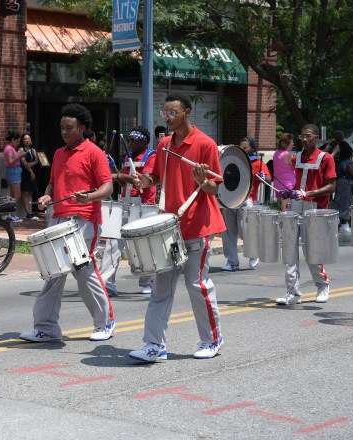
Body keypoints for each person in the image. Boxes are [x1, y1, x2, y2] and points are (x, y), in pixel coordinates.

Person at [129, 92, 226, 362]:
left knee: (196, 285)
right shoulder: (164, 145)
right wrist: (144, 181)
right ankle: (154, 345)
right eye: (164, 113)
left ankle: (212, 339)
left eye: (173, 112)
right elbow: (156, 177)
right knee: (161, 287)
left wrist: (202, 181)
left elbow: (215, 188)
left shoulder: (205, 144)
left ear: (186, 112)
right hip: (169, 227)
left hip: (198, 224)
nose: (168, 118)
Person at [19, 103, 115, 343]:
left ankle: (105, 322)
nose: (64, 131)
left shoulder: (94, 153)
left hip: (84, 219)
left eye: (69, 128)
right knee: (54, 273)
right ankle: (46, 327)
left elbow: (107, 186)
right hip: (59, 218)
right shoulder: (59, 153)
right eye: (62, 127)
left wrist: (90, 196)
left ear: (82, 128)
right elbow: (52, 182)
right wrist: (47, 195)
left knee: (83, 271)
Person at [276, 124, 336, 306]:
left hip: (315, 209)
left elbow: (332, 186)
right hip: (295, 208)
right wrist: (286, 192)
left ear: (316, 137)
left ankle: (322, 285)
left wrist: (308, 194)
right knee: (289, 250)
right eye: (302, 136)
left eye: (308, 136)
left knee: (312, 253)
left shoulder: (325, 158)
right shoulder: (295, 158)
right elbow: (290, 180)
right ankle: (292, 292)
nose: (304, 139)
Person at [99, 126, 156, 296]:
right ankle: (106, 283)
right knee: (113, 243)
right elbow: (125, 183)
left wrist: (117, 176)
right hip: (125, 203)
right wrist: (114, 169)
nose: (129, 144)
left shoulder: (151, 156)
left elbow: (142, 180)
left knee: (143, 245)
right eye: (129, 140)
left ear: (143, 142)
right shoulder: (128, 157)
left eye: (133, 141)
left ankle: (148, 281)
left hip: (143, 205)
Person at [220, 137, 271, 271]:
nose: (242, 149)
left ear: (252, 148)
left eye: (245, 147)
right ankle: (232, 262)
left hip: (246, 200)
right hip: (229, 200)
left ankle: (254, 252)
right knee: (228, 233)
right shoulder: (232, 160)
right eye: (240, 147)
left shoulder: (257, 162)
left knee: (244, 231)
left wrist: (263, 177)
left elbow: (268, 177)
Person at [334, 143, 353, 233]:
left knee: (342, 203)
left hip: (341, 183)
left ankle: (342, 224)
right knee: (345, 204)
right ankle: (344, 225)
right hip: (345, 184)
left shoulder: (340, 162)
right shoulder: (348, 162)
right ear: (350, 154)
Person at [3, 131, 26, 222]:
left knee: (13, 195)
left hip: (14, 171)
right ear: (12, 140)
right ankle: (10, 214)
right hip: (13, 171)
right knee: (17, 194)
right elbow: (10, 161)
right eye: (17, 141)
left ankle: (10, 214)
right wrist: (20, 156)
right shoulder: (9, 149)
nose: (17, 143)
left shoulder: (10, 148)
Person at [273, 133, 296, 212]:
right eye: (292, 142)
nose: (293, 144)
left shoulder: (276, 153)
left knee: (284, 209)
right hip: (288, 185)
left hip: (278, 184)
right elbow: (295, 167)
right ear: (288, 144)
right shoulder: (287, 155)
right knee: (287, 211)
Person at [19, 133, 40, 220]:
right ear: (22, 140)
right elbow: (24, 163)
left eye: (28, 139)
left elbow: (36, 160)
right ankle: (27, 213)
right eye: (25, 139)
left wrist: (30, 165)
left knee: (30, 192)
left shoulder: (33, 150)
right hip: (25, 173)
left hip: (32, 174)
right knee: (25, 193)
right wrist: (31, 171)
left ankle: (31, 212)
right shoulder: (21, 150)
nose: (27, 141)